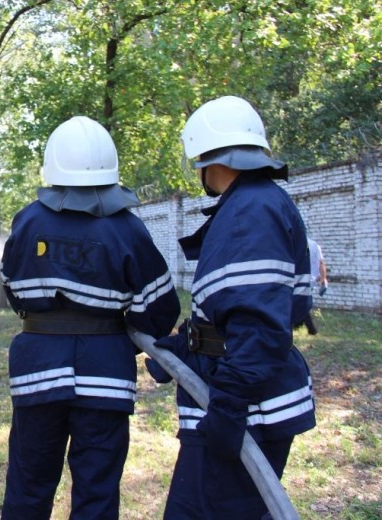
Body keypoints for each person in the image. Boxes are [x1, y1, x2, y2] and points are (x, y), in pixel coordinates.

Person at [0, 115, 181, 519]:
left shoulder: (28, 220)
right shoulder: (129, 229)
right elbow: (161, 307)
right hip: (106, 375)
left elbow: (10, 286)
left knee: (29, 485)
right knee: (97, 493)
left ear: (54, 166)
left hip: (37, 369)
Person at [145, 96, 317, 519]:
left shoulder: (250, 212)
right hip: (239, 402)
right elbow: (234, 311)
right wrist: (186, 346)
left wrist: (227, 408)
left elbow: (259, 325)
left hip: (245, 412)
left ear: (210, 157)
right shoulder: (251, 204)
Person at [301, 236, 328, 334]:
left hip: (299, 278)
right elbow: (321, 263)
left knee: (301, 303)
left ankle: (311, 329)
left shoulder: (296, 243)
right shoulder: (315, 245)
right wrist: (323, 278)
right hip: (311, 279)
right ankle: (310, 329)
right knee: (303, 302)